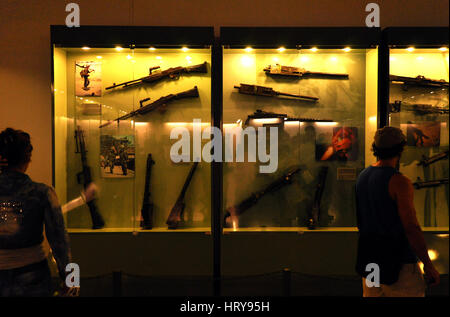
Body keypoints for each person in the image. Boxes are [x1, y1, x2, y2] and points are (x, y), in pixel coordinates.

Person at [355, 126, 440, 297]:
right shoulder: (399, 181)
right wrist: (428, 265)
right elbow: (411, 227)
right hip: (398, 263)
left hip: (371, 260)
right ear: (401, 149)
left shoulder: (363, 176)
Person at [0, 128, 73, 296]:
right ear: (28, 158)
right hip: (33, 278)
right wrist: (72, 280)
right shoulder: (42, 193)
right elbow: (61, 242)